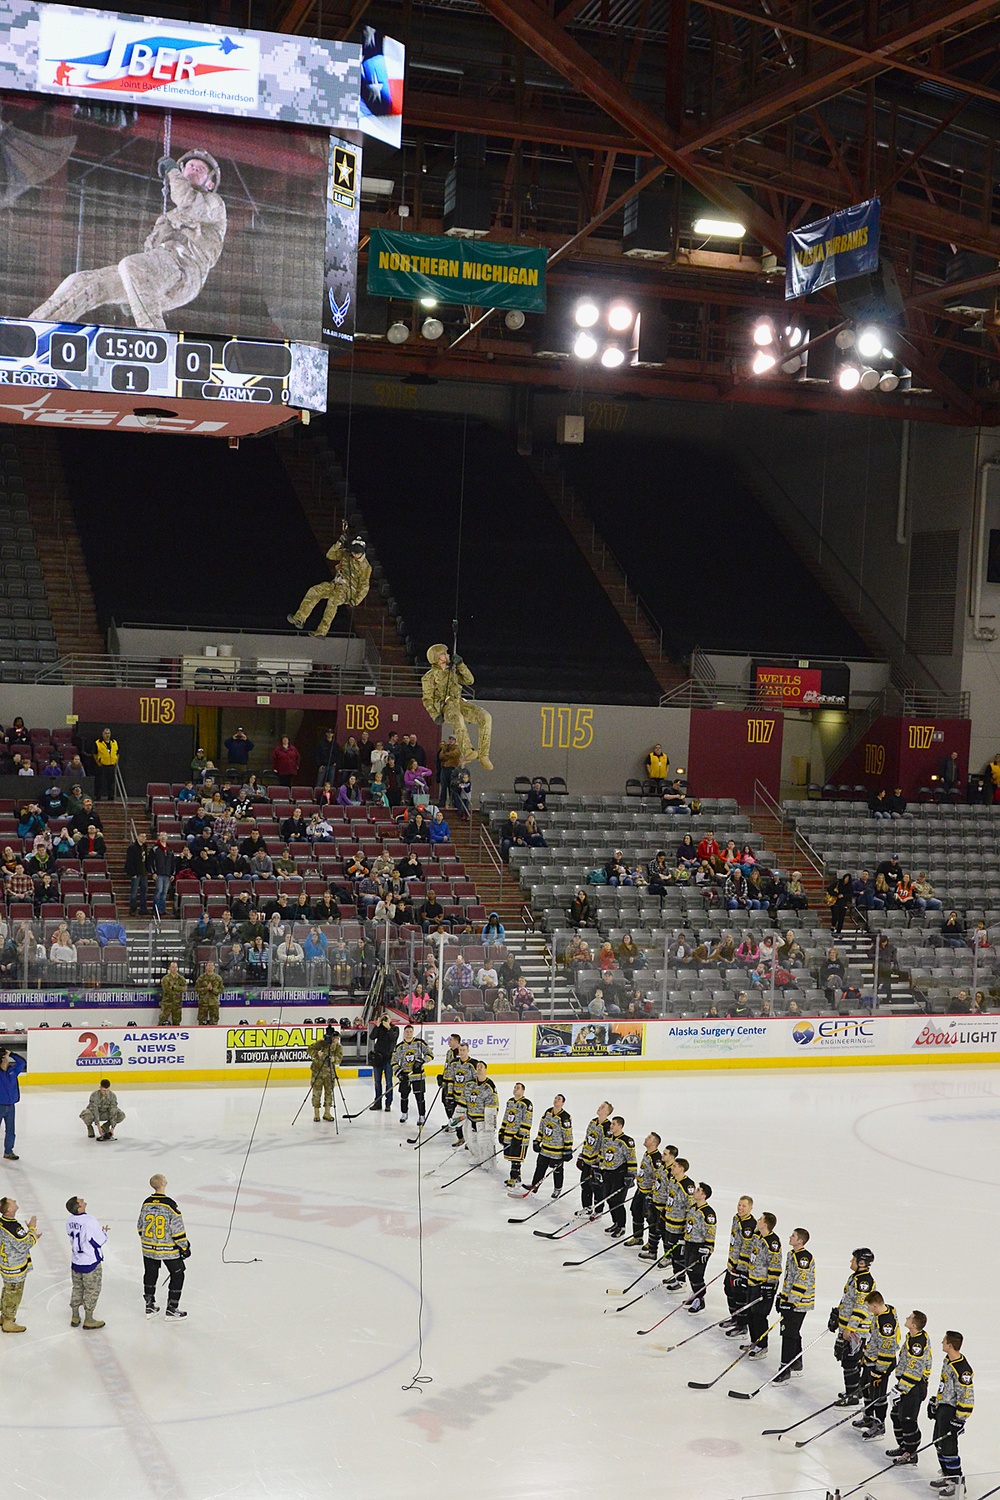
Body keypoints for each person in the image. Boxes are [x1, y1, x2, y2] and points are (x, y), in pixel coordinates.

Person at [31, 150, 226, 331]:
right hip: (160, 272)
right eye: (190, 166)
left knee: (132, 265)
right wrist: (135, 291)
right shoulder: (169, 218)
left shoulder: (214, 204)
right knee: (83, 282)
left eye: (200, 169)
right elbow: (151, 251)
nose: (194, 169)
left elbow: (186, 200)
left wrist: (173, 172)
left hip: (185, 273)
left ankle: (155, 337)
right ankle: (36, 328)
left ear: (210, 184)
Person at [421, 644, 493, 771]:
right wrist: (435, 715)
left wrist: (461, 665)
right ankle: (467, 750)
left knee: (485, 716)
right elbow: (427, 699)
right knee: (458, 718)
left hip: (459, 702)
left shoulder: (452, 671)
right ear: (439, 658)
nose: (448, 655)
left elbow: (469, 680)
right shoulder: (429, 677)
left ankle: (484, 755)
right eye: (444, 653)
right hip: (445, 705)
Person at [288, 530, 371, 639]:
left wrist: (356, 600)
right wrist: (339, 543)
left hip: (348, 591)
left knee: (333, 601)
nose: (355, 555)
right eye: (354, 552)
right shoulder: (346, 554)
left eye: (357, 553)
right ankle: (300, 618)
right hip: (336, 584)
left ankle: (322, 631)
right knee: (315, 590)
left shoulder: (365, 567)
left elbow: (364, 586)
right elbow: (330, 555)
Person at [923, 1331, 975, 1493]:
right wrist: (936, 1401)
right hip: (943, 1407)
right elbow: (945, 1386)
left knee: (949, 1447)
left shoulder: (962, 1369)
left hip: (952, 1411)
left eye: (944, 1341)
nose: (942, 1343)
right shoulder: (948, 1360)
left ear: (950, 1345)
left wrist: (960, 1419)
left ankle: (957, 1483)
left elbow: (966, 1396)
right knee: (938, 1442)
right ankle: (947, 1475)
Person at [138, 1174, 190, 1319]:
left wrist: (149, 1241)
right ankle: (172, 1308)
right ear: (163, 1183)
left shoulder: (146, 1203)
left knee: (150, 1273)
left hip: (148, 1248)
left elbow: (140, 1226)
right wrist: (184, 1247)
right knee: (178, 1274)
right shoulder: (169, 1204)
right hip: (168, 1249)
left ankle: (149, 1306)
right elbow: (177, 1229)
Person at [830, 1247, 877, 1405]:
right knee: (849, 1359)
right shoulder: (855, 1277)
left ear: (861, 1263)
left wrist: (850, 1328)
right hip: (848, 1327)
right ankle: (855, 1390)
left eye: (854, 1259)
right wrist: (837, 1315)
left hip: (857, 1331)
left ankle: (853, 1396)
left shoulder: (864, 1282)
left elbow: (861, 1307)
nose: (851, 1261)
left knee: (850, 1361)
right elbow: (847, 1300)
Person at [852, 1291, 901, 1443]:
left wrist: (880, 1371)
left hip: (881, 1364)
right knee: (866, 1389)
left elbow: (887, 1349)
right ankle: (868, 1417)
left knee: (878, 1395)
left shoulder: (886, 1322)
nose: (868, 1310)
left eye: (868, 1307)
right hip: (871, 1360)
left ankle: (879, 1425)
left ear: (875, 1305)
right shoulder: (882, 1313)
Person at [885, 1310, 933, 1465]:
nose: (906, 1318)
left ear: (914, 1324)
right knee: (896, 1415)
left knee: (908, 1420)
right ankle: (904, 1446)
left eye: (909, 1318)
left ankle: (911, 1453)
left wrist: (901, 1389)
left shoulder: (917, 1343)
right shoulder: (912, 1337)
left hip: (914, 1387)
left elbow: (915, 1371)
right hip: (906, 1384)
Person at [774, 1227, 815, 1381]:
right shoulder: (792, 1254)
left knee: (789, 1334)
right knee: (793, 1332)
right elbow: (790, 1279)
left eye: (793, 1236)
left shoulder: (804, 1258)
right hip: (791, 1301)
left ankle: (785, 1369)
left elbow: (801, 1282)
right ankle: (796, 1363)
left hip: (799, 1304)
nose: (790, 1237)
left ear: (800, 1241)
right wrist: (783, 1298)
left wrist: (791, 1302)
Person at [65, 1195, 108, 1329]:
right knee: (92, 1289)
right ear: (79, 1208)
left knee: (77, 1287)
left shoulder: (70, 1220)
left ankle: (75, 1315)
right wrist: (103, 1233)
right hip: (90, 1261)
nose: (83, 1200)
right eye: (80, 1201)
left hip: (76, 1260)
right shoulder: (89, 1220)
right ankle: (89, 1318)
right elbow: (98, 1240)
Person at [743, 1211, 782, 1355]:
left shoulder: (772, 1243)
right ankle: (754, 1341)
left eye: (760, 1219)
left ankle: (762, 1345)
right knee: (750, 1314)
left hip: (763, 1285)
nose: (757, 1221)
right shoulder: (757, 1235)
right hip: (752, 1281)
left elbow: (775, 1265)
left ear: (765, 1224)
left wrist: (770, 1285)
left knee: (759, 1316)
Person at [0, 1196, 40, 1333]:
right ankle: (8, 1321)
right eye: (12, 1201)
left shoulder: (2, 1222)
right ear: (9, 1209)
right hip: (15, 1267)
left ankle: (3, 1316)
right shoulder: (13, 1227)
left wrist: (29, 1235)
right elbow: (24, 1245)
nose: (15, 1201)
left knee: (7, 1290)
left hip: (6, 1264)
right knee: (14, 1293)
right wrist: (32, 1229)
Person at [720, 1194, 757, 1331]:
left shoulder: (749, 1226)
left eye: (744, 1206)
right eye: (739, 1205)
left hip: (740, 1268)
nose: (740, 1208)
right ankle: (735, 1317)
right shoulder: (736, 1218)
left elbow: (747, 1250)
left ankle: (742, 1325)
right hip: (732, 1265)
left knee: (739, 1295)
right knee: (728, 1290)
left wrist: (739, 1269)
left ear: (750, 1208)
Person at [596, 1116, 637, 1239]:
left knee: (617, 1201)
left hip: (620, 1175)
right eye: (611, 1124)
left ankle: (622, 1226)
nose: (611, 1126)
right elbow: (602, 1154)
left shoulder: (626, 1141)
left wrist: (631, 1175)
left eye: (614, 1124)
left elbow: (631, 1158)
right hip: (607, 1173)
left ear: (620, 1126)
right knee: (609, 1199)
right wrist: (599, 1168)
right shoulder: (607, 1138)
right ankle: (616, 1223)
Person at [526, 1094, 573, 1198]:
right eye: (555, 1098)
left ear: (563, 1103)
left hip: (557, 1151)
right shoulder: (548, 1112)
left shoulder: (565, 1117)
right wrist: (538, 1140)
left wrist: (568, 1149)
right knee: (540, 1167)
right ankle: (534, 1185)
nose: (556, 1100)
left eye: (559, 1099)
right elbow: (542, 1127)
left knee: (557, 1171)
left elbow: (568, 1134)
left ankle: (557, 1189)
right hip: (545, 1148)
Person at [682, 1182, 716, 1312]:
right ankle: (695, 1294)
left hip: (700, 1247)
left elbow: (710, 1231)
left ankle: (700, 1300)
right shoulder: (693, 1208)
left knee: (696, 1273)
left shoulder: (708, 1213)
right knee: (689, 1271)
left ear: (703, 1195)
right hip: (689, 1244)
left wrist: (707, 1248)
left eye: (698, 1190)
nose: (695, 1191)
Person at [576, 1101, 612, 1218]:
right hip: (587, 1159)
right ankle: (587, 1207)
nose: (599, 1107)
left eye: (602, 1107)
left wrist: (599, 1162)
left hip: (596, 1163)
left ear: (607, 1112)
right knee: (585, 1184)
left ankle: (598, 1210)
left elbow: (606, 1146)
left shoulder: (608, 1127)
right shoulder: (593, 1122)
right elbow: (587, 1139)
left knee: (596, 1186)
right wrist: (582, 1155)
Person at [391, 1024, 433, 1124]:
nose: (409, 1033)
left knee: (420, 1097)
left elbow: (430, 1054)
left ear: (413, 1032)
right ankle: (404, 1113)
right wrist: (399, 1073)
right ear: (404, 1033)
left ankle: (422, 1115)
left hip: (418, 1076)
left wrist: (421, 1061)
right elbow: (393, 1062)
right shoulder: (399, 1046)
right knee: (404, 1096)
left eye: (410, 1031)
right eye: (407, 1032)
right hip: (405, 1076)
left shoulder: (419, 1043)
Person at [462, 1060, 500, 1168]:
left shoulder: (489, 1086)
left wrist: (490, 1125)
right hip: (470, 1119)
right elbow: (463, 1100)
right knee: (471, 1140)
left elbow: (493, 1106)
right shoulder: (469, 1084)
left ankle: (489, 1162)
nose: (479, 1068)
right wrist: (457, 1116)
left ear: (485, 1069)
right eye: (477, 1066)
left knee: (485, 1141)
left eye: (481, 1066)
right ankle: (477, 1156)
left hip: (482, 1121)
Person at [499, 1082, 533, 1187]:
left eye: (518, 1088)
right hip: (509, 1135)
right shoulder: (510, 1102)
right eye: (514, 1087)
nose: (515, 1089)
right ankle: (517, 1176)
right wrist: (502, 1130)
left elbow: (527, 1120)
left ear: (523, 1091)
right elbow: (506, 1117)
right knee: (511, 1157)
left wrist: (520, 1135)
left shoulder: (527, 1104)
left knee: (516, 1158)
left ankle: (513, 1177)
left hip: (520, 1137)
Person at [308, 1024, 343, 1123]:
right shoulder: (321, 1043)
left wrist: (334, 1059)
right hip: (317, 1072)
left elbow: (339, 1058)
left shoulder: (337, 1047)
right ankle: (316, 1113)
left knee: (329, 1093)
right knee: (316, 1093)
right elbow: (309, 1049)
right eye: (335, 1038)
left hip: (329, 1073)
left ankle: (327, 1112)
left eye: (337, 1038)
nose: (336, 1040)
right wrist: (316, 1054)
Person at [0, 1045, 26, 1161]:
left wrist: (11, 1054)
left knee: (10, 1130)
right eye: (3, 1059)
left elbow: (22, 1062)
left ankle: (8, 1151)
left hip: (10, 1106)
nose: (6, 1060)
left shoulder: (12, 1071)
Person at [125, 829, 151, 917]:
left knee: (144, 891)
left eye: (145, 837)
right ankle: (133, 909)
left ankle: (143, 909)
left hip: (143, 872)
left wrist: (147, 870)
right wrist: (132, 873)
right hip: (136, 873)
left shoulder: (145, 847)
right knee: (134, 892)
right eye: (142, 836)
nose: (144, 838)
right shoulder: (132, 848)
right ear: (137, 837)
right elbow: (129, 861)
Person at [92, 728, 119, 801]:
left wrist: (116, 761)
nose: (107, 735)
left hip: (111, 765)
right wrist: (98, 762)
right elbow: (94, 753)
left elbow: (117, 753)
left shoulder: (114, 742)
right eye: (106, 733)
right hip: (102, 765)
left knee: (111, 782)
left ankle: (111, 796)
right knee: (99, 782)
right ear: (102, 734)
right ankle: (98, 796)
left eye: (108, 733)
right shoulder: (98, 742)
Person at [195, 960, 223, 1025]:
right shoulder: (201, 978)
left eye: (212, 965)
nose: (210, 967)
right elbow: (197, 989)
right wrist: (206, 989)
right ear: (206, 967)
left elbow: (221, 990)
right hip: (203, 1003)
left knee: (214, 1022)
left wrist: (212, 989)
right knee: (202, 1021)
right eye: (209, 965)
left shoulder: (218, 978)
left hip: (214, 1003)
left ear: (214, 967)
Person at [159, 961, 186, 1025]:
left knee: (177, 1022)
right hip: (167, 1003)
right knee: (162, 1020)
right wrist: (178, 990)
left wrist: (174, 987)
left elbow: (184, 988)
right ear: (169, 968)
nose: (174, 969)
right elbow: (167, 990)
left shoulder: (181, 978)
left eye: (176, 967)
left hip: (177, 1004)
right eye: (173, 967)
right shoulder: (165, 979)